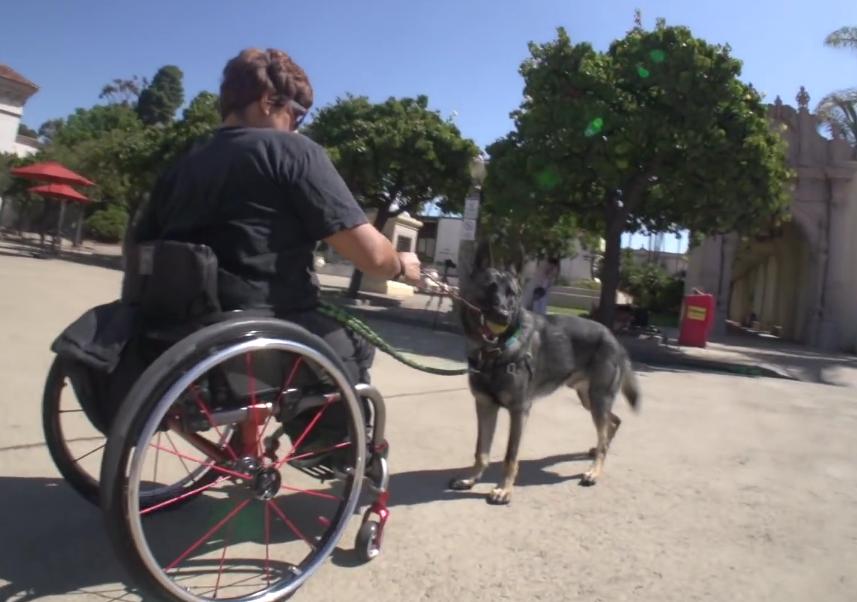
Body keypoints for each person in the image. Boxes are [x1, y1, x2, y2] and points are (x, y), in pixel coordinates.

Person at [127, 48, 421, 451]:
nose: (298, 127)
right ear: (269, 102)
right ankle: (333, 449)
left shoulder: (184, 159)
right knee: (355, 343)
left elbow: (140, 242)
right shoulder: (294, 153)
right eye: (298, 115)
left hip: (176, 328)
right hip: (263, 327)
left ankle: (253, 441)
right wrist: (401, 266)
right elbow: (371, 256)